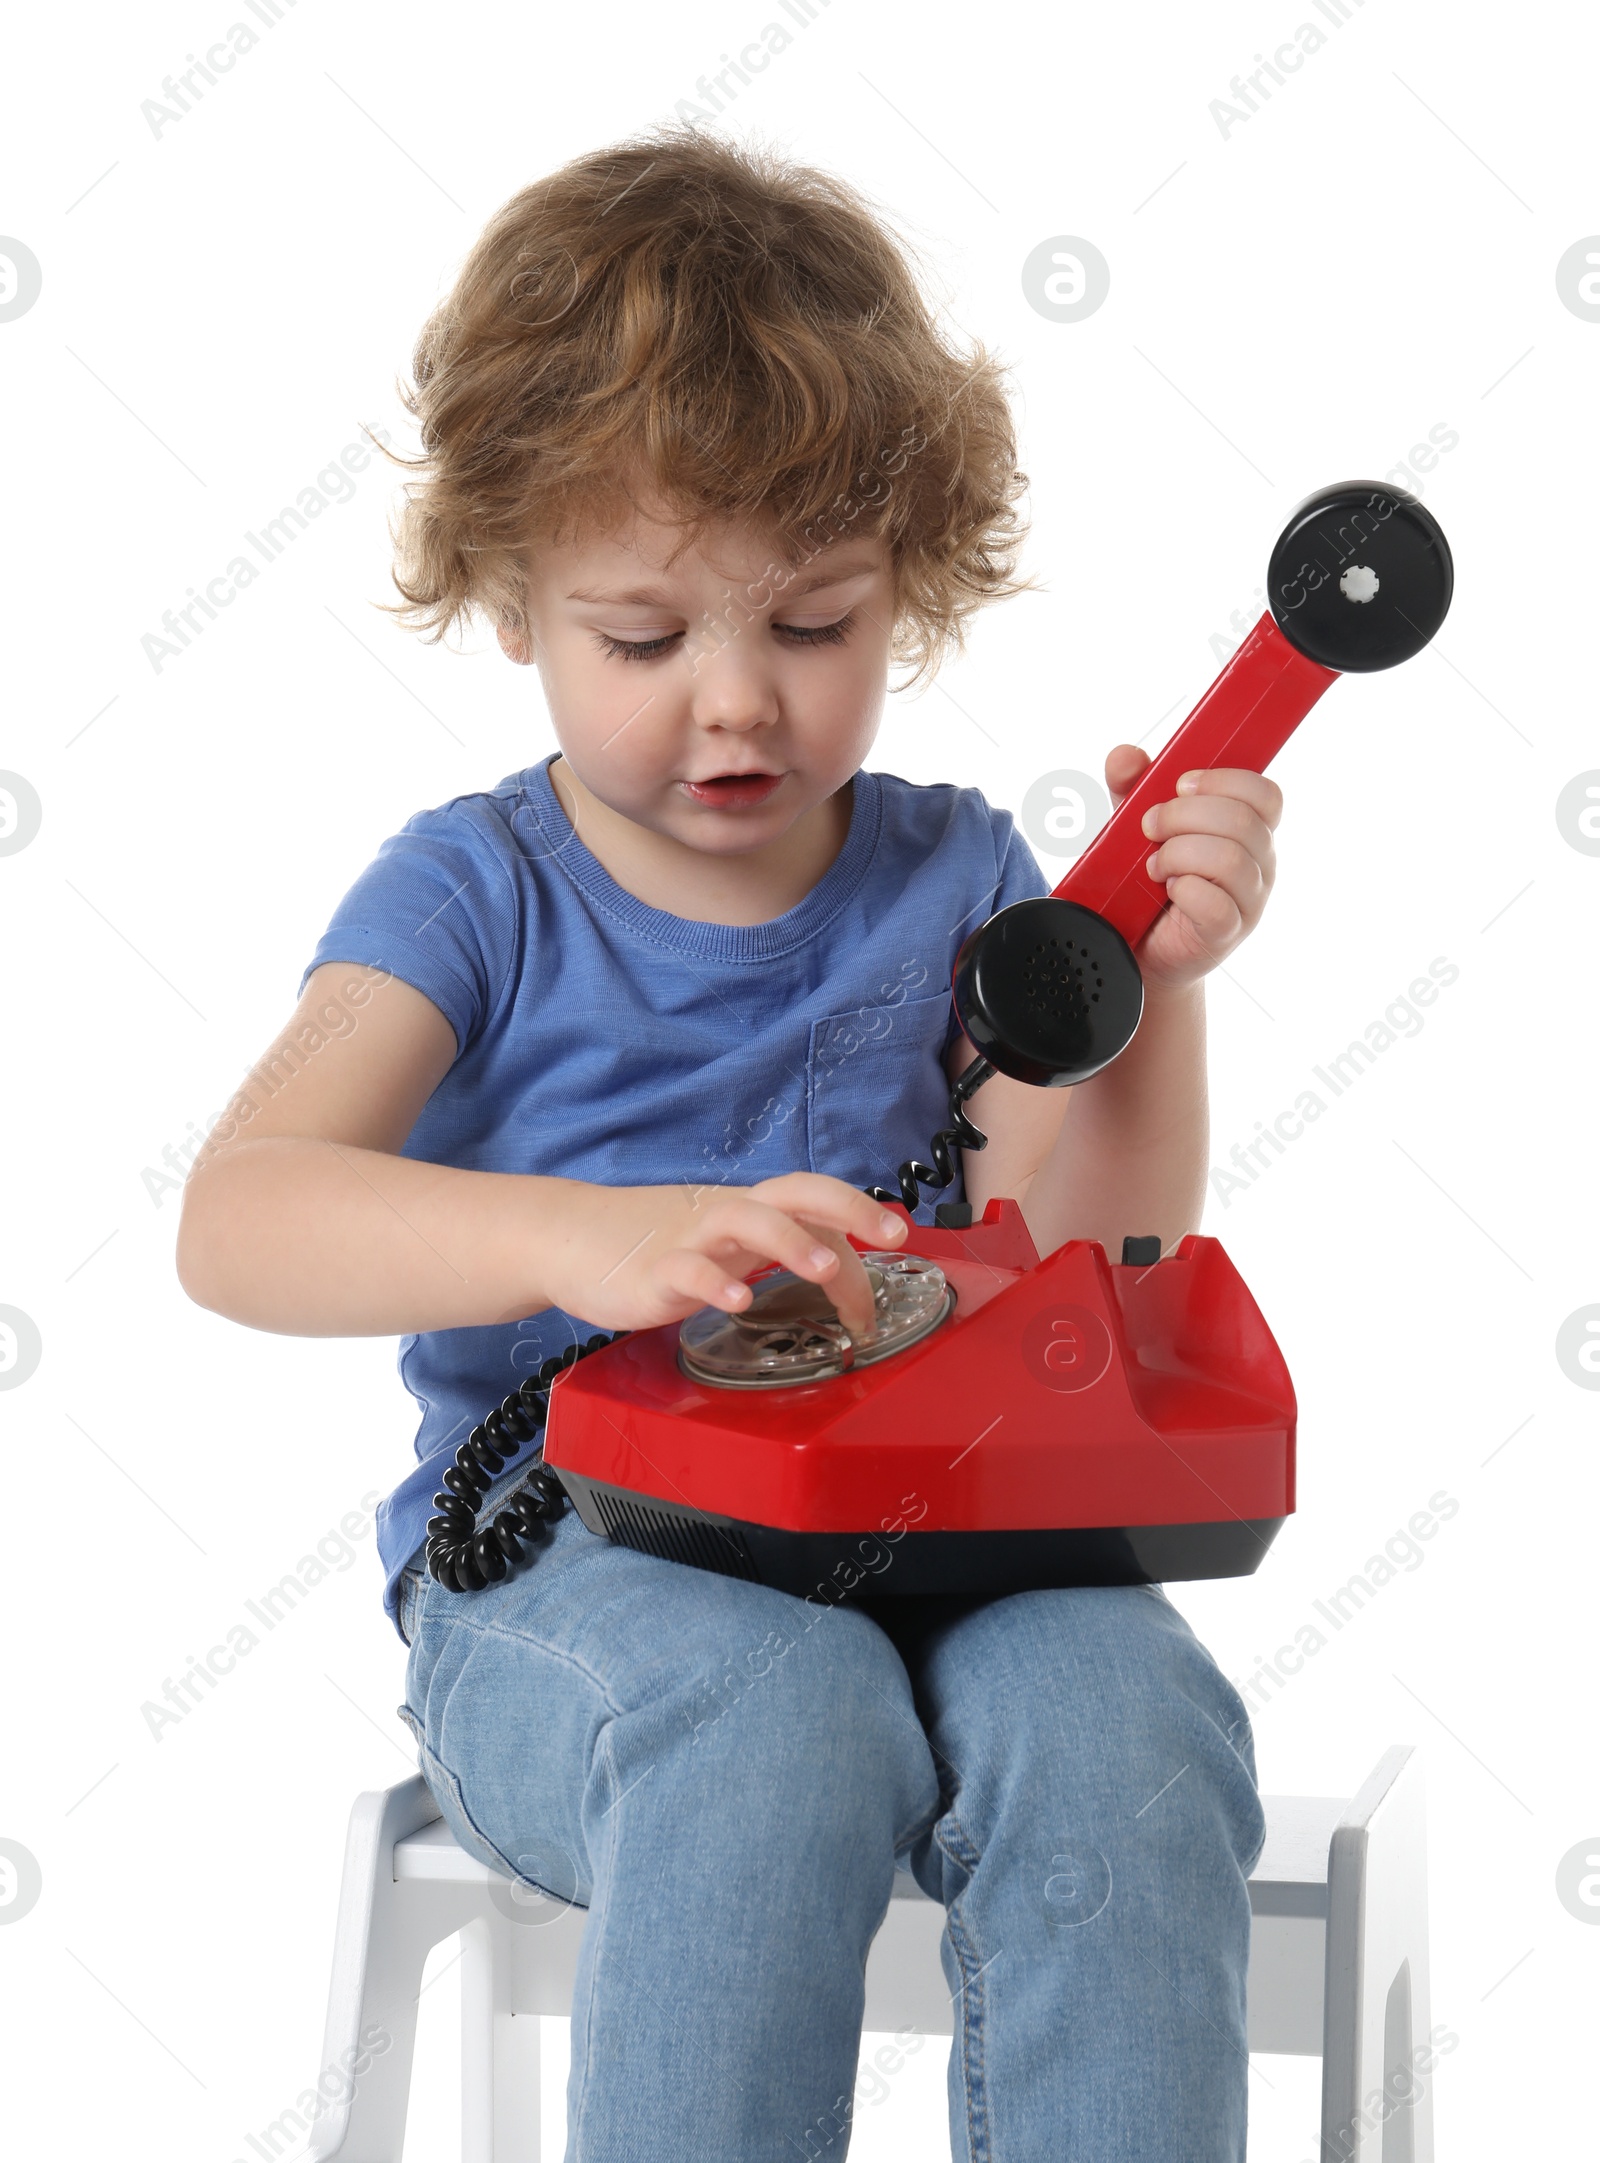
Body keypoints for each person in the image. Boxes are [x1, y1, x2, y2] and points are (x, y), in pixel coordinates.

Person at [176, 124, 1282, 2161]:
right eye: (642, 634)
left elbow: (1084, 1254)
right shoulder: (470, 892)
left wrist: (1154, 977)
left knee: (1129, 1713)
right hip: (570, 1579)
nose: (734, 705)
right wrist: (583, 1239)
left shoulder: (961, 876)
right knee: (775, 1720)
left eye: (811, 621)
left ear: (905, 595)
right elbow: (238, 1219)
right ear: (513, 603)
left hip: (947, 1540)